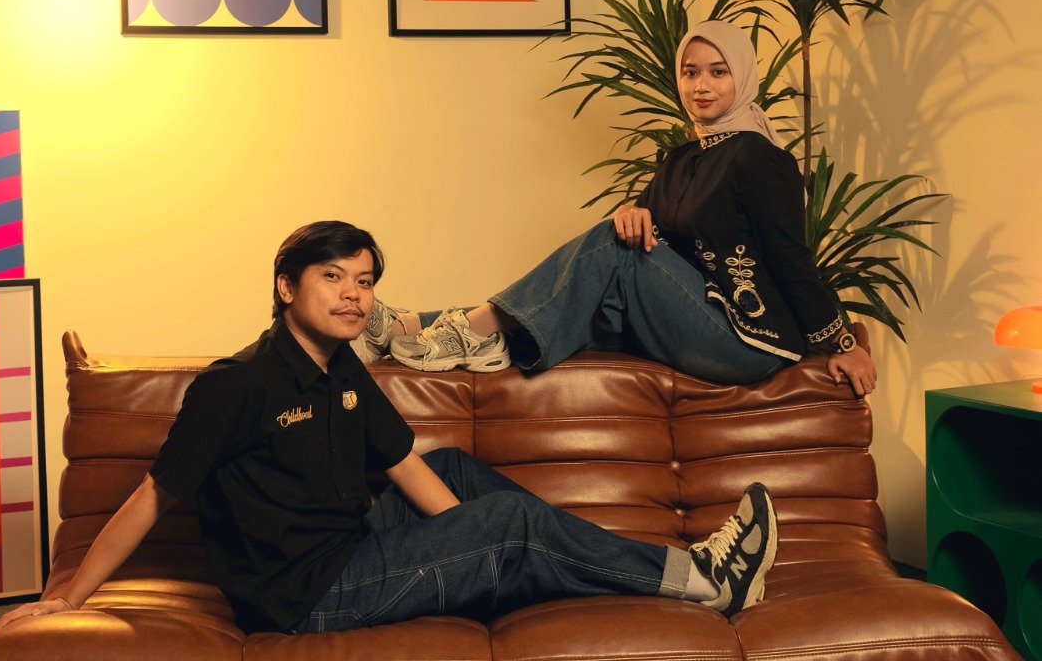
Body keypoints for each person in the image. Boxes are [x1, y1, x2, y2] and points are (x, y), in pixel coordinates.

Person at [0, 220, 778, 642]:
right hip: (302, 596)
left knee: (456, 472)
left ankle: (531, 566)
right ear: (286, 286)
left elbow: (403, 464)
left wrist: (467, 553)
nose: (353, 296)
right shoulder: (236, 385)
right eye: (332, 277)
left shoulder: (340, 367)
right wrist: (65, 597)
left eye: (364, 281)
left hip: (351, 546)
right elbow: (153, 497)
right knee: (505, 522)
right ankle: (699, 579)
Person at [375, 20, 877, 397]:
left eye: (718, 72)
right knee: (574, 297)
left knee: (608, 247)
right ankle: (405, 327)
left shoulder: (758, 156)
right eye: (690, 72)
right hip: (694, 317)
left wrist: (843, 344)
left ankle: (460, 332)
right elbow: (659, 240)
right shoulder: (681, 158)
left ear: (742, 77)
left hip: (749, 339)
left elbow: (790, 257)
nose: (701, 86)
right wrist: (631, 210)